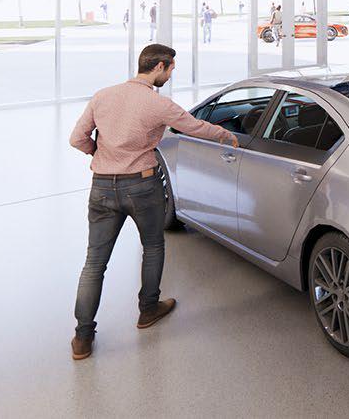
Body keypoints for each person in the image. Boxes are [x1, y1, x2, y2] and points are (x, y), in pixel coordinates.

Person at [67, 44, 239, 360]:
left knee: (94, 263)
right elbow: (195, 126)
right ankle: (148, 310)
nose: (171, 74)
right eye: (171, 68)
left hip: (102, 187)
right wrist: (226, 136)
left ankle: (82, 338)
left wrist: (99, 154)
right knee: (153, 246)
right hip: (142, 186)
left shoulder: (103, 95)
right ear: (159, 67)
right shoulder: (157, 104)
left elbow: (76, 138)